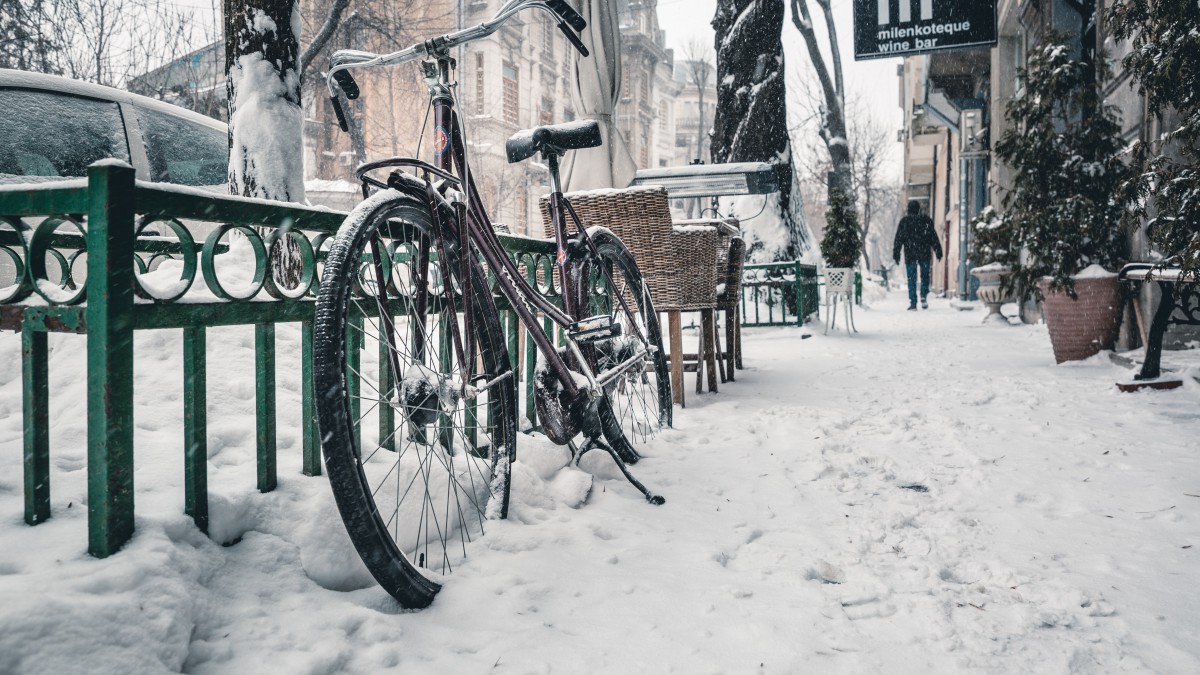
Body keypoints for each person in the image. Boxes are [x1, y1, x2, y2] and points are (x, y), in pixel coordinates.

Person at [892, 201, 943, 310]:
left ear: (909, 209)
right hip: (924, 252)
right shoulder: (926, 221)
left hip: (910, 253)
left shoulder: (904, 222)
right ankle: (924, 294)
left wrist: (896, 254)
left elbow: (898, 240)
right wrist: (938, 251)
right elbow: (933, 237)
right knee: (925, 275)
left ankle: (913, 302)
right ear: (918, 209)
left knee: (912, 278)